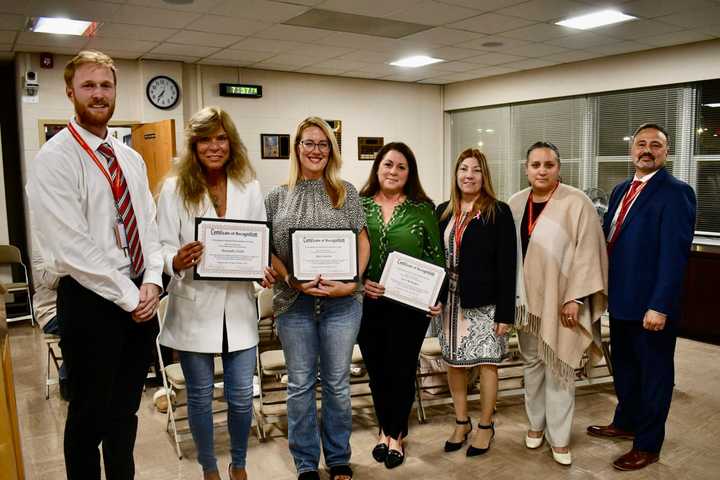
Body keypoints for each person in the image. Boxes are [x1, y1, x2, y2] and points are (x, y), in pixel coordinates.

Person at [25, 50, 163, 479]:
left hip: (139, 298)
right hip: (90, 302)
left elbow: (150, 227)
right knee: (87, 418)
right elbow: (70, 249)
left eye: (106, 85)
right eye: (88, 85)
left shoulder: (130, 159)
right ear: (70, 92)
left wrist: (154, 281)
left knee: (125, 412)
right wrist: (129, 295)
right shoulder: (56, 158)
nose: (98, 94)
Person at [157, 107, 275, 480]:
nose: (214, 146)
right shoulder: (175, 188)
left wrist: (263, 270)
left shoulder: (249, 187)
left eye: (221, 138)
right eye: (205, 139)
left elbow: (258, 241)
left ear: (231, 143)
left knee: (242, 397)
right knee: (200, 397)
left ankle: (238, 464)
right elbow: (158, 244)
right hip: (193, 306)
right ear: (193, 145)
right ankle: (209, 468)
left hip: (238, 308)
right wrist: (174, 259)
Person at [265, 117, 370, 480]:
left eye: (323, 144)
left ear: (332, 150)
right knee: (300, 384)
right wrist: (291, 280)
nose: (316, 151)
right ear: (296, 149)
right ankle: (306, 462)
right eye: (308, 143)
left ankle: (339, 457)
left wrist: (352, 282)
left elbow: (362, 240)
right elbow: (267, 250)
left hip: (342, 303)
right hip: (294, 304)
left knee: (338, 383)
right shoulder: (276, 196)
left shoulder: (347, 192)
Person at [587, 124, 696, 471]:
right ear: (632, 149)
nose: (647, 150)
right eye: (641, 144)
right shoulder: (621, 190)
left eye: (656, 145)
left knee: (654, 376)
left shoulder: (676, 192)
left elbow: (674, 255)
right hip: (621, 301)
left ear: (666, 152)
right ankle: (626, 421)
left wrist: (660, 305)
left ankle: (647, 445)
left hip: (651, 307)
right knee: (626, 370)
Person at [508, 141, 607, 466]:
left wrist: (575, 298)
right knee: (532, 365)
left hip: (563, 302)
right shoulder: (515, 203)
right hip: (527, 305)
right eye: (535, 164)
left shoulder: (576, 202)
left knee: (559, 367)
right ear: (526, 168)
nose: (541, 170)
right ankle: (536, 425)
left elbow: (588, 253)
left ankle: (560, 438)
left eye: (548, 164)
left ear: (558, 168)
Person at [357, 142, 444, 469]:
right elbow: (350, 254)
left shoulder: (424, 209)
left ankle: (397, 434)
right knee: (377, 372)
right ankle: (383, 428)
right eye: (388, 165)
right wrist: (360, 281)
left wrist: (437, 297)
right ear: (377, 168)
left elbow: (437, 258)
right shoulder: (359, 206)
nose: (393, 172)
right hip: (368, 304)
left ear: (410, 173)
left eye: (400, 167)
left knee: (402, 371)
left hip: (409, 308)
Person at [436, 148, 517, 458]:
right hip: (450, 302)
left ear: (485, 176)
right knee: (454, 363)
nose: (468, 175)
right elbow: (434, 259)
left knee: (487, 365)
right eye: (463, 169)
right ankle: (461, 422)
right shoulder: (444, 210)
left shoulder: (498, 211)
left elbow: (508, 266)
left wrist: (506, 313)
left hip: (485, 303)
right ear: (456, 175)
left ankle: (485, 425)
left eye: (476, 170)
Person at [30, 233, 69, 400]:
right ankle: (66, 377)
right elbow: (50, 282)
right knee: (86, 328)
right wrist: (71, 257)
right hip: (51, 311)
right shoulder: (40, 245)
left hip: (75, 307)